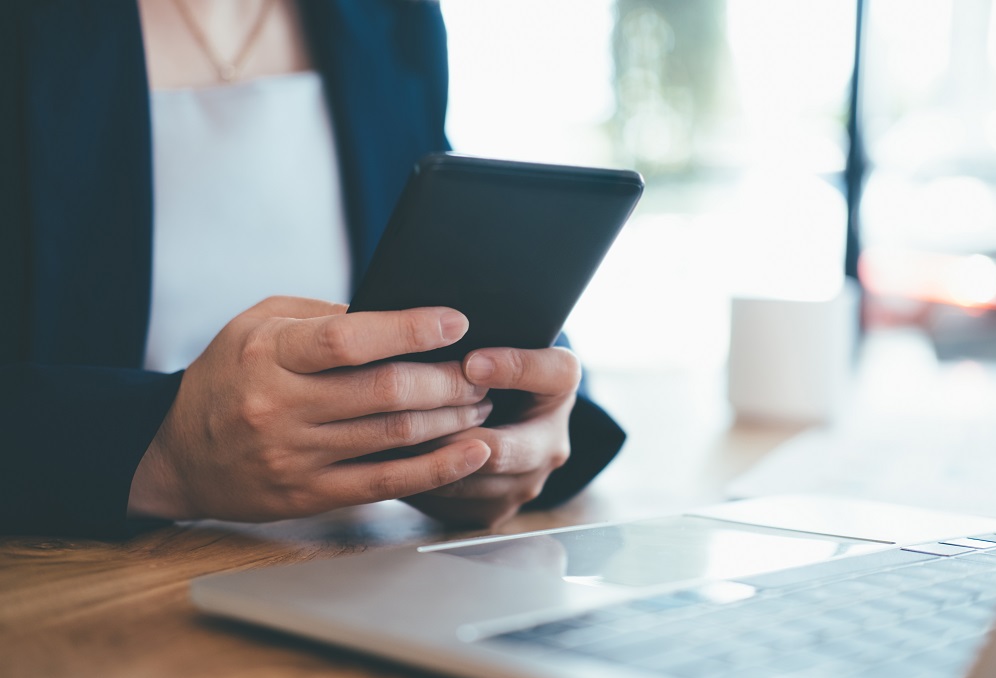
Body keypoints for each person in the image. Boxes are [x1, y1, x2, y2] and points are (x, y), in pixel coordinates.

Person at [0, 0, 625, 538]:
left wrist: (518, 421)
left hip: (348, 564)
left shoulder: (387, 15)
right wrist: (164, 452)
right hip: (81, 593)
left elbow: (444, 268)